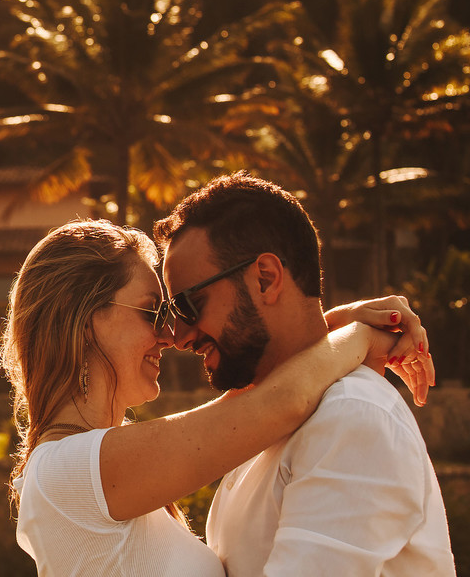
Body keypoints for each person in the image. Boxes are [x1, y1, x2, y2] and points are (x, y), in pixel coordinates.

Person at [0, 218, 431, 577]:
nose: (169, 335)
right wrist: (360, 334)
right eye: (154, 312)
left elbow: (260, 398)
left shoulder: (83, 471)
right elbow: (278, 403)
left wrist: (328, 324)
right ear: (87, 319)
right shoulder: (69, 474)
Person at [155, 171, 455, 576]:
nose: (179, 335)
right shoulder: (266, 422)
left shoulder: (351, 417)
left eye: (189, 305)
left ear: (266, 279)